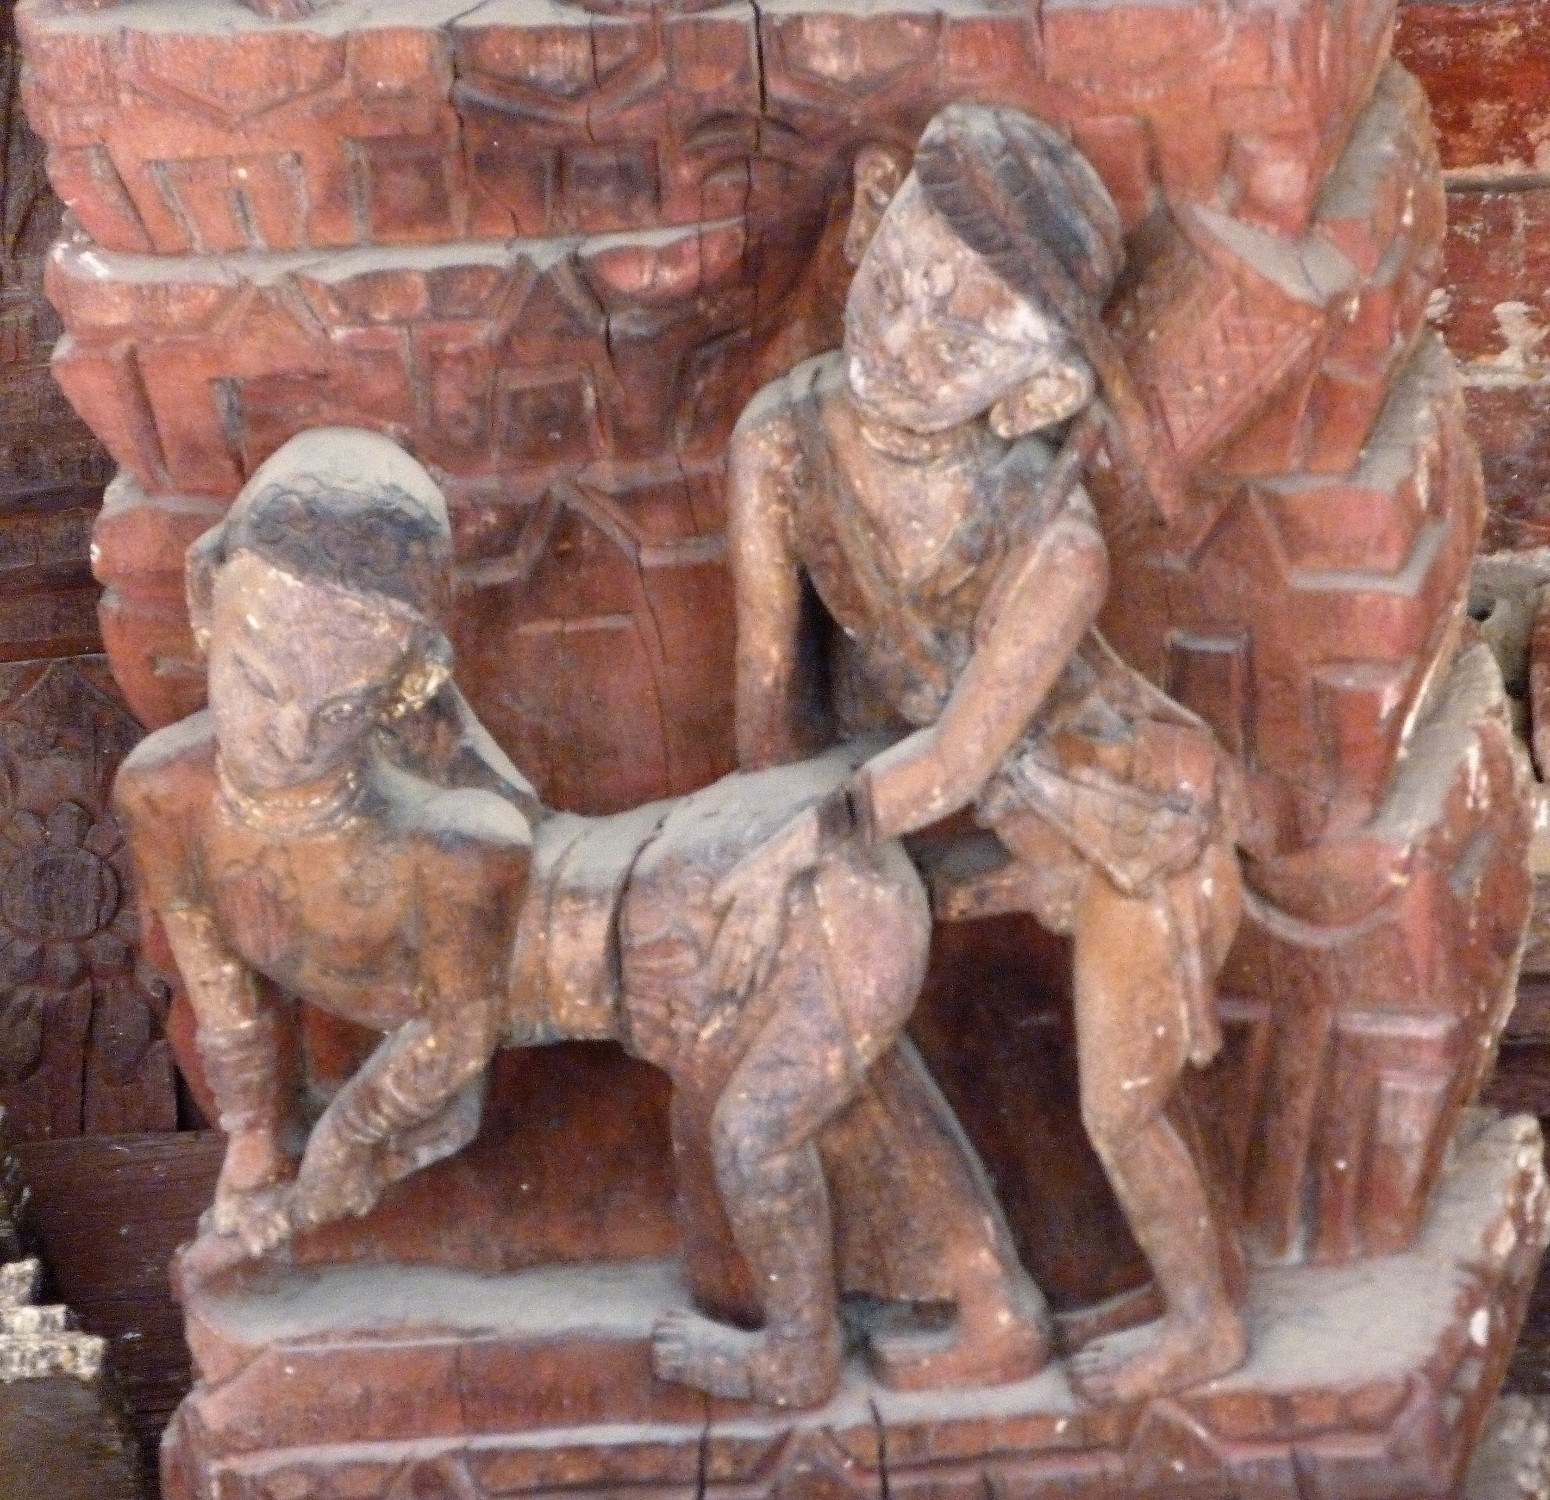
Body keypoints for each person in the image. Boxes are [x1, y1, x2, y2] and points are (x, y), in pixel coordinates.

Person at [116, 427, 1049, 1411]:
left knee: (776, 1126)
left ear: (405, 684)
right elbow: (223, 999)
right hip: (670, 924)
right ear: (203, 597)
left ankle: (816, 1350)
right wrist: (257, 1150)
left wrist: (333, 1161)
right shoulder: (166, 792)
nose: (288, 732)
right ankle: (988, 1308)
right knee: (832, 1099)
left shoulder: (456, 841)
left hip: (673, 906)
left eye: (339, 704)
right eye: (260, 679)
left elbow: (451, 1043)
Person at [723, 103, 1248, 1405]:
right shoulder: (780, 445)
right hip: (938, 809)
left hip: (1126, 824)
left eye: (964, 334)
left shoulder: (1056, 550)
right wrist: (766, 833)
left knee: (1119, 1109)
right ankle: (951, 1277)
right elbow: (766, 705)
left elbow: (956, 762)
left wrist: (803, 837)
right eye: (900, 281)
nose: (903, 337)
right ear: (871, 220)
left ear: (1038, 390)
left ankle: (1207, 1323)